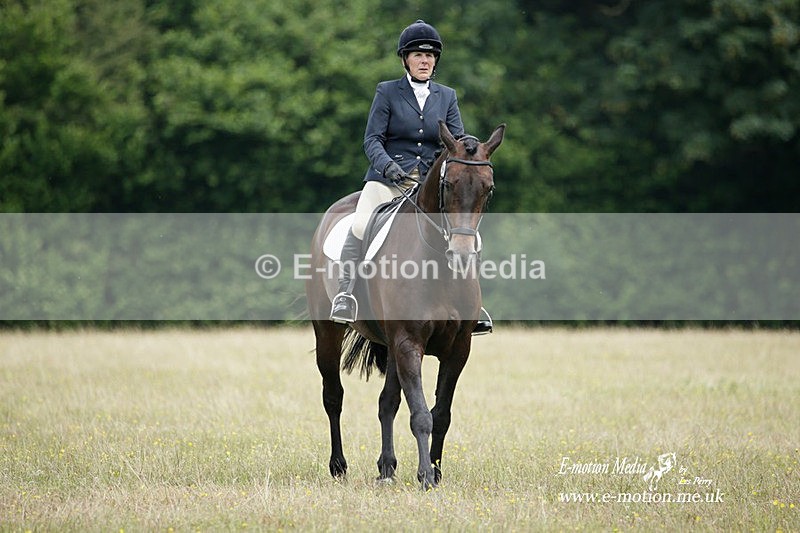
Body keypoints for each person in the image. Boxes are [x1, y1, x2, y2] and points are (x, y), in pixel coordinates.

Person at [330, 20, 492, 334]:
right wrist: (389, 166)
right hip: (388, 180)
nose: (424, 61)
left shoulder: (447, 96)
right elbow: (372, 139)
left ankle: (470, 305)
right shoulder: (387, 91)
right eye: (417, 55)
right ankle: (346, 294)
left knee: (468, 232)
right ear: (406, 59)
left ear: (436, 62)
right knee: (361, 223)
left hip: (431, 185)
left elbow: (455, 142)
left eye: (430, 56)